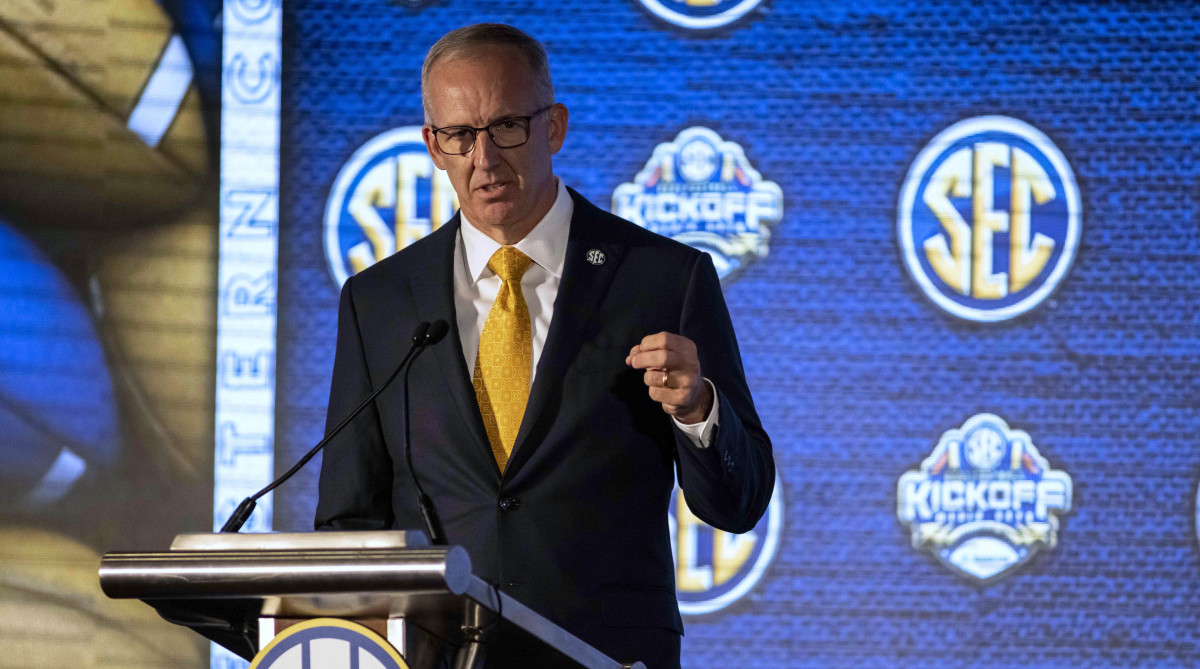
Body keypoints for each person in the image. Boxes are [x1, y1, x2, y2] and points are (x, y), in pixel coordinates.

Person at [315, 23, 774, 669]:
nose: (484, 158)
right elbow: (348, 523)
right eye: (459, 134)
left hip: (606, 654)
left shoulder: (662, 279)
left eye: (506, 126)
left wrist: (698, 409)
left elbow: (739, 502)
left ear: (554, 127)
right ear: (433, 146)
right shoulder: (380, 302)